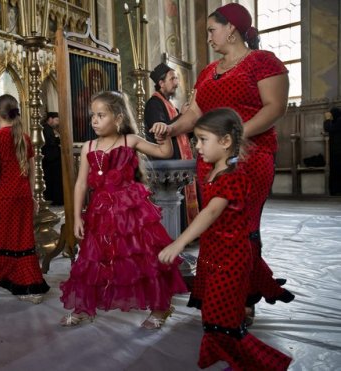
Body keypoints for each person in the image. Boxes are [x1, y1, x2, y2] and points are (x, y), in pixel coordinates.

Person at [150, 3, 295, 322]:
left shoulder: (263, 62)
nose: (209, 38)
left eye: (212, 30)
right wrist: (171, 128)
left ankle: (244, 295)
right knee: (215, 226)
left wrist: (234, 134)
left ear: (231, 28)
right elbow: (195, 114)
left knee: (242, 226)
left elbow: (274, 108)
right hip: (211, 161)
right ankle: (214, 292)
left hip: (251, 156)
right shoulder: (207, 71)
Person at [159, 108, 293, 370]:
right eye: (196, 140)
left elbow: (209, 213)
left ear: (225, 141)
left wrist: (178, 243)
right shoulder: (213, 171)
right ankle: (223, 353)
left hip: (231, 258)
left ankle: (258, 363)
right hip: (214, 254)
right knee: (213, 312)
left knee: (224, 316)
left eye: (202, 140)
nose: (197, 146)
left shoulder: (232, 177)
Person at [59, 91, 187, 329]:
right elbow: (81, 184)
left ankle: (160, 308)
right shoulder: (88, 147)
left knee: (141, 257)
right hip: (99, 212)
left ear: (117, 119)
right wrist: (76, 216)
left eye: (101, 115)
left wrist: (164, 137)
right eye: (92, 116)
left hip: (131, 212)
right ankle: (83, 307)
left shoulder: (131, 140)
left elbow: (164, 153)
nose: (94, 120)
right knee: (93, 257)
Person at [0, 94, 50, 302]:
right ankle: (30, 288)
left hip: (4, 197)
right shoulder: (25, 137)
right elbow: (32, 170)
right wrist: (31, 196)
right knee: (23, 241)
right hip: (22, 197)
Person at [144, 62, 199, 230]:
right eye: (173, 78)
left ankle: (186, 231)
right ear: (161, 83)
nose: (176, 82)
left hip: (179, 159)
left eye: (176, 78)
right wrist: (182, 115)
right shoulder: (154, 104)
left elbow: (181, 132)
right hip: (167, 161)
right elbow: (159, 130)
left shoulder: (171, 106)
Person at [41, 112, 64, 205]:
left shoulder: (49, 129)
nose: (57, 123)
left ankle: (56, 200)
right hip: (51, 160)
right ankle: (56, 200)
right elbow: (50, 143)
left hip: (51, 160)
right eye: (56, 120)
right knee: (53, 181)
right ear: (50, 119)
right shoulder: (46, 128)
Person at [323, 107, 341, 195]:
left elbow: (329, 128)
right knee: (335, 171)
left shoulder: (340, 120)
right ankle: (335, 191)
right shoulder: (337, 120)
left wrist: (327, 119)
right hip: (336, 150)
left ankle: (336, 191)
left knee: (336, 171)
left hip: (338, 151)